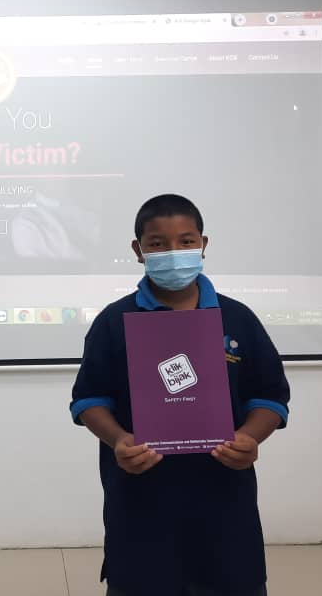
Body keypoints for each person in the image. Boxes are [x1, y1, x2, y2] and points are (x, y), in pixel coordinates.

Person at [70, 194, 290, 596]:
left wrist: (250, 437)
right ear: (138, 250)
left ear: (203, 244)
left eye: (186, 241)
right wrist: (118, 439)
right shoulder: (114, 321)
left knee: (232, 582)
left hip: (225, 499)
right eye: (157, 244)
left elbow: (270, 395)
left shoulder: (237, 318)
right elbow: (89, 399)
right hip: (140, 499)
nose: (173, 252)